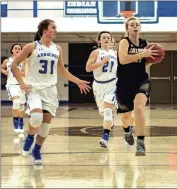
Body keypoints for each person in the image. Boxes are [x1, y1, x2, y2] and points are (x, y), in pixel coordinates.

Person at [11, 19, 91, 165]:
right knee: (36, 117)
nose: (55, 30)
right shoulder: (31, 47)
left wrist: (77, 81)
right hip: (34, 88)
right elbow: (14, 65)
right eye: (53, 27)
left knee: (45, 128)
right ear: (44, 30)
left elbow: (61, 70)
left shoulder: (58, 49)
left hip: (50, 90)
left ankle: (37, 150)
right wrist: (22, 83)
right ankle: (29, 139)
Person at [116, 16, 158, 156]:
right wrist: (142, 54)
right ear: (127, 28)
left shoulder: (144, 43)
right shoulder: (124, 41)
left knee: (139, 107)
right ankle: (127, 131)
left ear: (140, 28)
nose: (135, 26)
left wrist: (153, 60)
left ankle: (140, 142)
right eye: (132, 24)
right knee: (126, 116)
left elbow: (143, 63)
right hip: (124, 82)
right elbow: (123, 60)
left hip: (141, 80)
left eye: (137, 24)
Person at [86, 31, 117, 148]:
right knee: (103, 112)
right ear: (99, 41)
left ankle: (105, 137)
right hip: (98, 85)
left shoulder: (115, 53)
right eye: (104, 37)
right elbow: (88, 68)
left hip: (112, 84)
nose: (106, 39)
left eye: (108, 37)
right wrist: (102, 62)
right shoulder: (96, 52)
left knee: (108, 109)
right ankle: (110, 122)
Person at [1, 44, 26, 133]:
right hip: (11, 85)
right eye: (15, 48)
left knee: (22, 106)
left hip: (21, 85)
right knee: (16, 102)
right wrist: (5, 71)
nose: (17, 50)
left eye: (19, 49)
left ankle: (21, 122)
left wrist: (17, 70)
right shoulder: (7, 61)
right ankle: (15, 121)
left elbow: (25, 74)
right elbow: (1, 68)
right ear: (12, 50)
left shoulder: (23, 61)